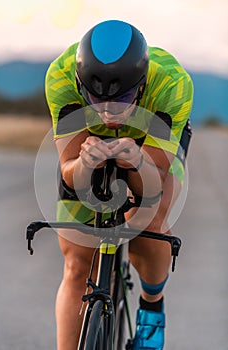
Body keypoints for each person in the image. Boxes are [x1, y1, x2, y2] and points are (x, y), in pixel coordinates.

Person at [45, 19, 193, 350]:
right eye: (95, 100)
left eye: (123, 98)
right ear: (81, 83)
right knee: (76, 263)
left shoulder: (172, 83)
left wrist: (137, 161)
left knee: (149, 222)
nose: (109, 112)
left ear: (141, 85)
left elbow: (153, 178)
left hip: (150, 150)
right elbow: (70, 170)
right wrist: (84, 163)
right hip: (88, 145)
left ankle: (152, 305)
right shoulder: (61, 76)